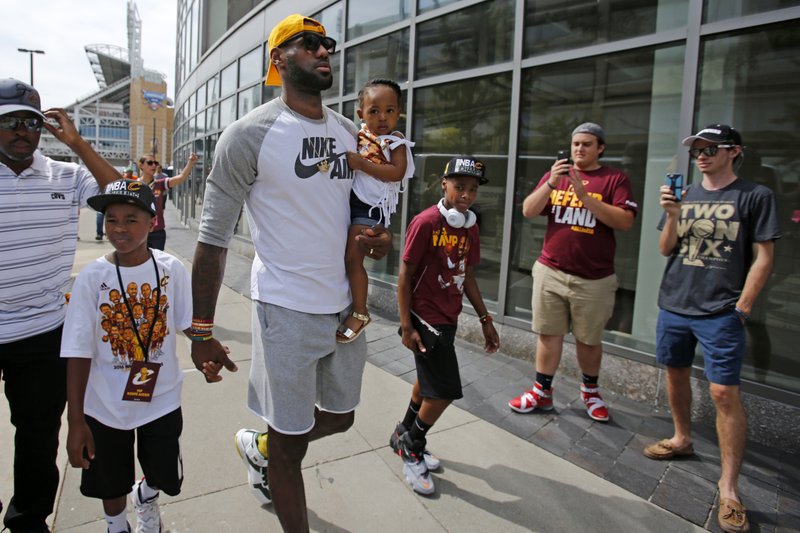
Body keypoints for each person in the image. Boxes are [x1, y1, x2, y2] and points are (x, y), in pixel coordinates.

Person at [188, 14, 391, 532]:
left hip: (345, 307)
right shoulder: (247, 135)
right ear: (277, 60)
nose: (323, 52)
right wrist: (202, 330)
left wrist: (378, 238)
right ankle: (274, 455)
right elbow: (212, 240)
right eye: (308, 44)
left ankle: (259, 447)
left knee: (341, 418)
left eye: (326, 45)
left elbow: (363, 211)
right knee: (291, 442)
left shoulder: (352, 133)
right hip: (284, 308)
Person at [643, 124, 780, 533]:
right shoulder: (685, 194)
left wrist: (742, 306)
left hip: (721, 311)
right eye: (696, 150)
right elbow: (666, 248)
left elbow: (764, 257)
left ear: (734, 151)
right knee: (675, 373)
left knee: (723, 392)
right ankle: (682, 438)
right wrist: (672, 215)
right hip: (675, 304)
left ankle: (729, 488)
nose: (701, 155)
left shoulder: (756, 196)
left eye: (710, 148)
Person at [61, 179, 217, 533]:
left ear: (152, 222)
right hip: (104, 405)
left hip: (160, 398)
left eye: (131, 219)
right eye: (111, 219)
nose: (119, 228)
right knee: (109, 480)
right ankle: (116, 525)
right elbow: (77, 350)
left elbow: (184, 322)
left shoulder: (170, 269)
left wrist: (208, 342)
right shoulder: (91, 278)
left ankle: (146, 496)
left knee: (164, 473)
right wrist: (75, 421)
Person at [0, 78, 121, 533]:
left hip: (43, 331)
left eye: (31, 123)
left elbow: (121, 192)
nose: (22, 131)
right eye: (10, 121)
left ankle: (29, 520)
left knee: (36, 437)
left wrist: (77, 142)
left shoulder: (66, 176)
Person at [508, 122, 638, 422]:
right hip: (551, 270)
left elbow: (625, 221)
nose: (579, 149)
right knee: (548, 334)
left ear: (600, 148)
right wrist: (552, 183)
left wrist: (586, 197)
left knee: (589, 340)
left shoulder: (614, 178)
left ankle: (590, 392)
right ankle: (542, 391)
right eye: (576, 143)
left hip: (594, 278)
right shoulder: (558, 175)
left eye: (587, 144)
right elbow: (528, 210)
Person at [391, 156, 499, 495]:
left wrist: (485, 319)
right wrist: (406, 326)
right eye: (459, 187)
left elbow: (467, 277)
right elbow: (405, 276)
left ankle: (401, 434)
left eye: (472, 189)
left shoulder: (470, 227)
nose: (465, 195)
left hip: (448, 317)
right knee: (446, 390)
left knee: (426, 387)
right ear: (444, 185)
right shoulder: (426, 223)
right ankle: (412, 444)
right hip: (425, 320)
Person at [337, 78, 414, 343]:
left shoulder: (396, 142)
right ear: (361, 114)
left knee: (352, 258)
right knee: (345, 256)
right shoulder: (359, 135)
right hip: (353, 202)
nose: (383, 117)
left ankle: (360, 312)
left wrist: (360, 164)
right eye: (374, 111)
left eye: (390, 110)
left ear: (399, 112)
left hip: (371, 207)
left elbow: (397, 172)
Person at [137, 152, 198, 250]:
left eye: (155, 163)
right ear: (141, 165)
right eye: (150, 163)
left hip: (157, 233)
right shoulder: (134, 186)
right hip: (138, 231)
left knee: (156, 262)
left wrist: (190, 163)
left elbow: (181, 177)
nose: (154, 165)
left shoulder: (160, 184)